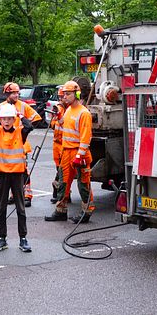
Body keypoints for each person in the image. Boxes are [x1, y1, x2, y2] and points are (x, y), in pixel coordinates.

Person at [0, 103, 33, 254]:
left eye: (10, 119)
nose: (7, 122)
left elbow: (29, 126)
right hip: (2, 175)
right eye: (4, 119)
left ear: (14, 119)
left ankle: (23, 238)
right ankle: (2, 238)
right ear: (0, 120)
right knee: (1, 207)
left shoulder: (20, 133)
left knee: (20, 207)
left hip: (16, 175)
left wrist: (20, 115)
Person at [45, 81, 95, 224]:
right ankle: (60, 210)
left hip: (80, 154)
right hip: (66, 152)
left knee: (83, 184)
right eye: (64, 94)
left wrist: (80, 155)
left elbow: (86, 137)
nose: (64, 97)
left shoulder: (84, 113)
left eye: (68, 94)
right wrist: (58, 116)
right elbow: (63, 125)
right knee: (63, 183)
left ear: (77, 94)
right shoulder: (68, 110)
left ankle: (87, 211)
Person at [0, 82, 42, 207]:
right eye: (13, 93)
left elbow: (36, 118)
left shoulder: (23, 106)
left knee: (23, 170)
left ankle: (26, 195)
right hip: (5, 146)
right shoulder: (1, 107)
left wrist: (25, 129)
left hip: (20, 143)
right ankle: (13, 195)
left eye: (17, 93)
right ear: (7, 94)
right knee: (8, 172)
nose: (16, 95)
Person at [49, 87, 67, 203]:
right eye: (59, 97)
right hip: (57, 143)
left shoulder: (71, 110)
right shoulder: (58, 109)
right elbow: (52, 124)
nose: (61, 99)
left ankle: (61, 192)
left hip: (65, 144)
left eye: (62, 97)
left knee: (63, 171)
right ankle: (59, 192)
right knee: (59, 169)